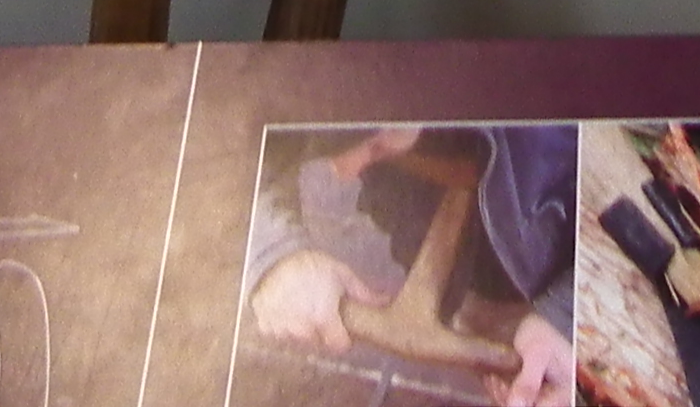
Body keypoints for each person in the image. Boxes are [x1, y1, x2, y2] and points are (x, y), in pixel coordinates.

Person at [244, 123, 575, 407]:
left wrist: (565, 312)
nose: (342, 173)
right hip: (444, 210)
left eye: (375, 144)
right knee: (491, 330)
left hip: (557, 227)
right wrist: (273, 250)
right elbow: (236, 124)